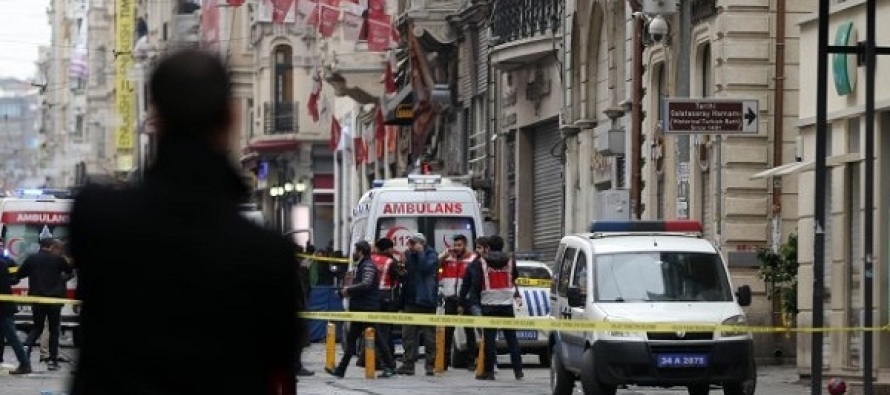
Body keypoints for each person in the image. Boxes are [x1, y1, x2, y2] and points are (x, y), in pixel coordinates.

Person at [68, 49, 298, 395]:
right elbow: (281, 365)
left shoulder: (95, 218)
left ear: (154, 118)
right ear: (232, 117)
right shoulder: (268, 254)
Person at [326, 241, 396, 378]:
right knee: (356, 341)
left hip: (367, 309)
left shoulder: (368, 265)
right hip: (362, 308)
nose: (354, 253)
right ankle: (341, 370)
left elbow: (366, 284)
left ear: (361, 252)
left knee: (375, 339)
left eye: (355, 250)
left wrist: (347, 290)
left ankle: (390, 366)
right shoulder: (364, 264)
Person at [462, 235, 523, 381]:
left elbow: (476, 283)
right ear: (502, 246)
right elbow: (515, 276)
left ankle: (488, 372)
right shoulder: (510, 260)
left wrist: (473, 301)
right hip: (507, 304)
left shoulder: (482, 261)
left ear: (488, 247)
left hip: (488, 304)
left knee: (489, 340)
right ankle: (518, 371)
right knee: (512, 339)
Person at [16, 237, 73, 371]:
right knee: (54, 330)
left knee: (37, 328)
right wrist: (61, 280)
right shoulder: (58, 259)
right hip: (55, 300)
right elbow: (69, 272)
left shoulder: (32, 258)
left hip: (37, 299)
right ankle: (53, 361)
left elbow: (20, 274)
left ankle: (25, 353)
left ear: (40, 246)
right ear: (51, 246)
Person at [396, 233, 439, 376]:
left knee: (429, 336)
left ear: (422, 244)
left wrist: (420, 253)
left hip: (426, 301)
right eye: (410, 243)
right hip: (410, 300)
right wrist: (401, 271)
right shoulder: (408, 254)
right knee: (408, 335)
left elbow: (425, 268)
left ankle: (430, 365)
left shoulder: (431, 255)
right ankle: (408, 363)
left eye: (413, 243)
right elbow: (404, 274)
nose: (410, 246)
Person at [437, 234, 477, 368]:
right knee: (448, 331)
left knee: (469, 331)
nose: (456, 248)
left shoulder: (472, 258)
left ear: (465, 245)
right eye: (455, 245)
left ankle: (471, 361)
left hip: (466, 299)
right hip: (450, 298)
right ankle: (444, 361)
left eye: (459, 245)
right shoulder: (448, 257)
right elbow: (434, 265)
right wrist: (444, 255)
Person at [458, 236, 489, 371]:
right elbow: (466, 284)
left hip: (490, 303)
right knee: (481, 332)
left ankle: (488, 361)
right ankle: (480, 361)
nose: (478, 250)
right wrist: (461, 302)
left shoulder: (496, 263)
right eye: (476, 247)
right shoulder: (474, 264)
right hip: (475, 303)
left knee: (488, 334)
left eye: (480, 247)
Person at [0, 245, 30, 374]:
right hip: (5, 305)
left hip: (4, 307)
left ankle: (24, 363)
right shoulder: (4, 263)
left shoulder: (3, 263)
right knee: (8, 336)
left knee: (12, 337)